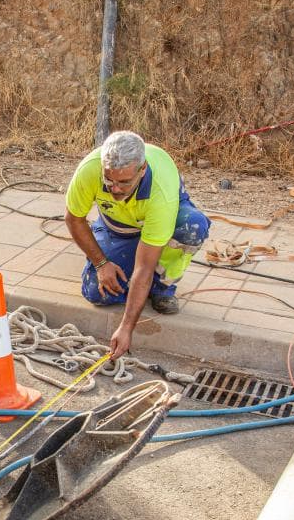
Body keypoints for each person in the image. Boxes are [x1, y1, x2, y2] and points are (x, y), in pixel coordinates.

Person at [64, 130, 210, 360]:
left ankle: (163, 286)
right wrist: (102, 264)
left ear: (142, 171)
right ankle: (133, 278)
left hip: (158, 221)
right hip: (117, 226)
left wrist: (126, 328)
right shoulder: (89, 169)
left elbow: (144, 267)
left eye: (124, 182)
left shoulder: (160, 193)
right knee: (97, 293)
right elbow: (74, 219)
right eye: (108, 180)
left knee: (192, 227)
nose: (115, 188)